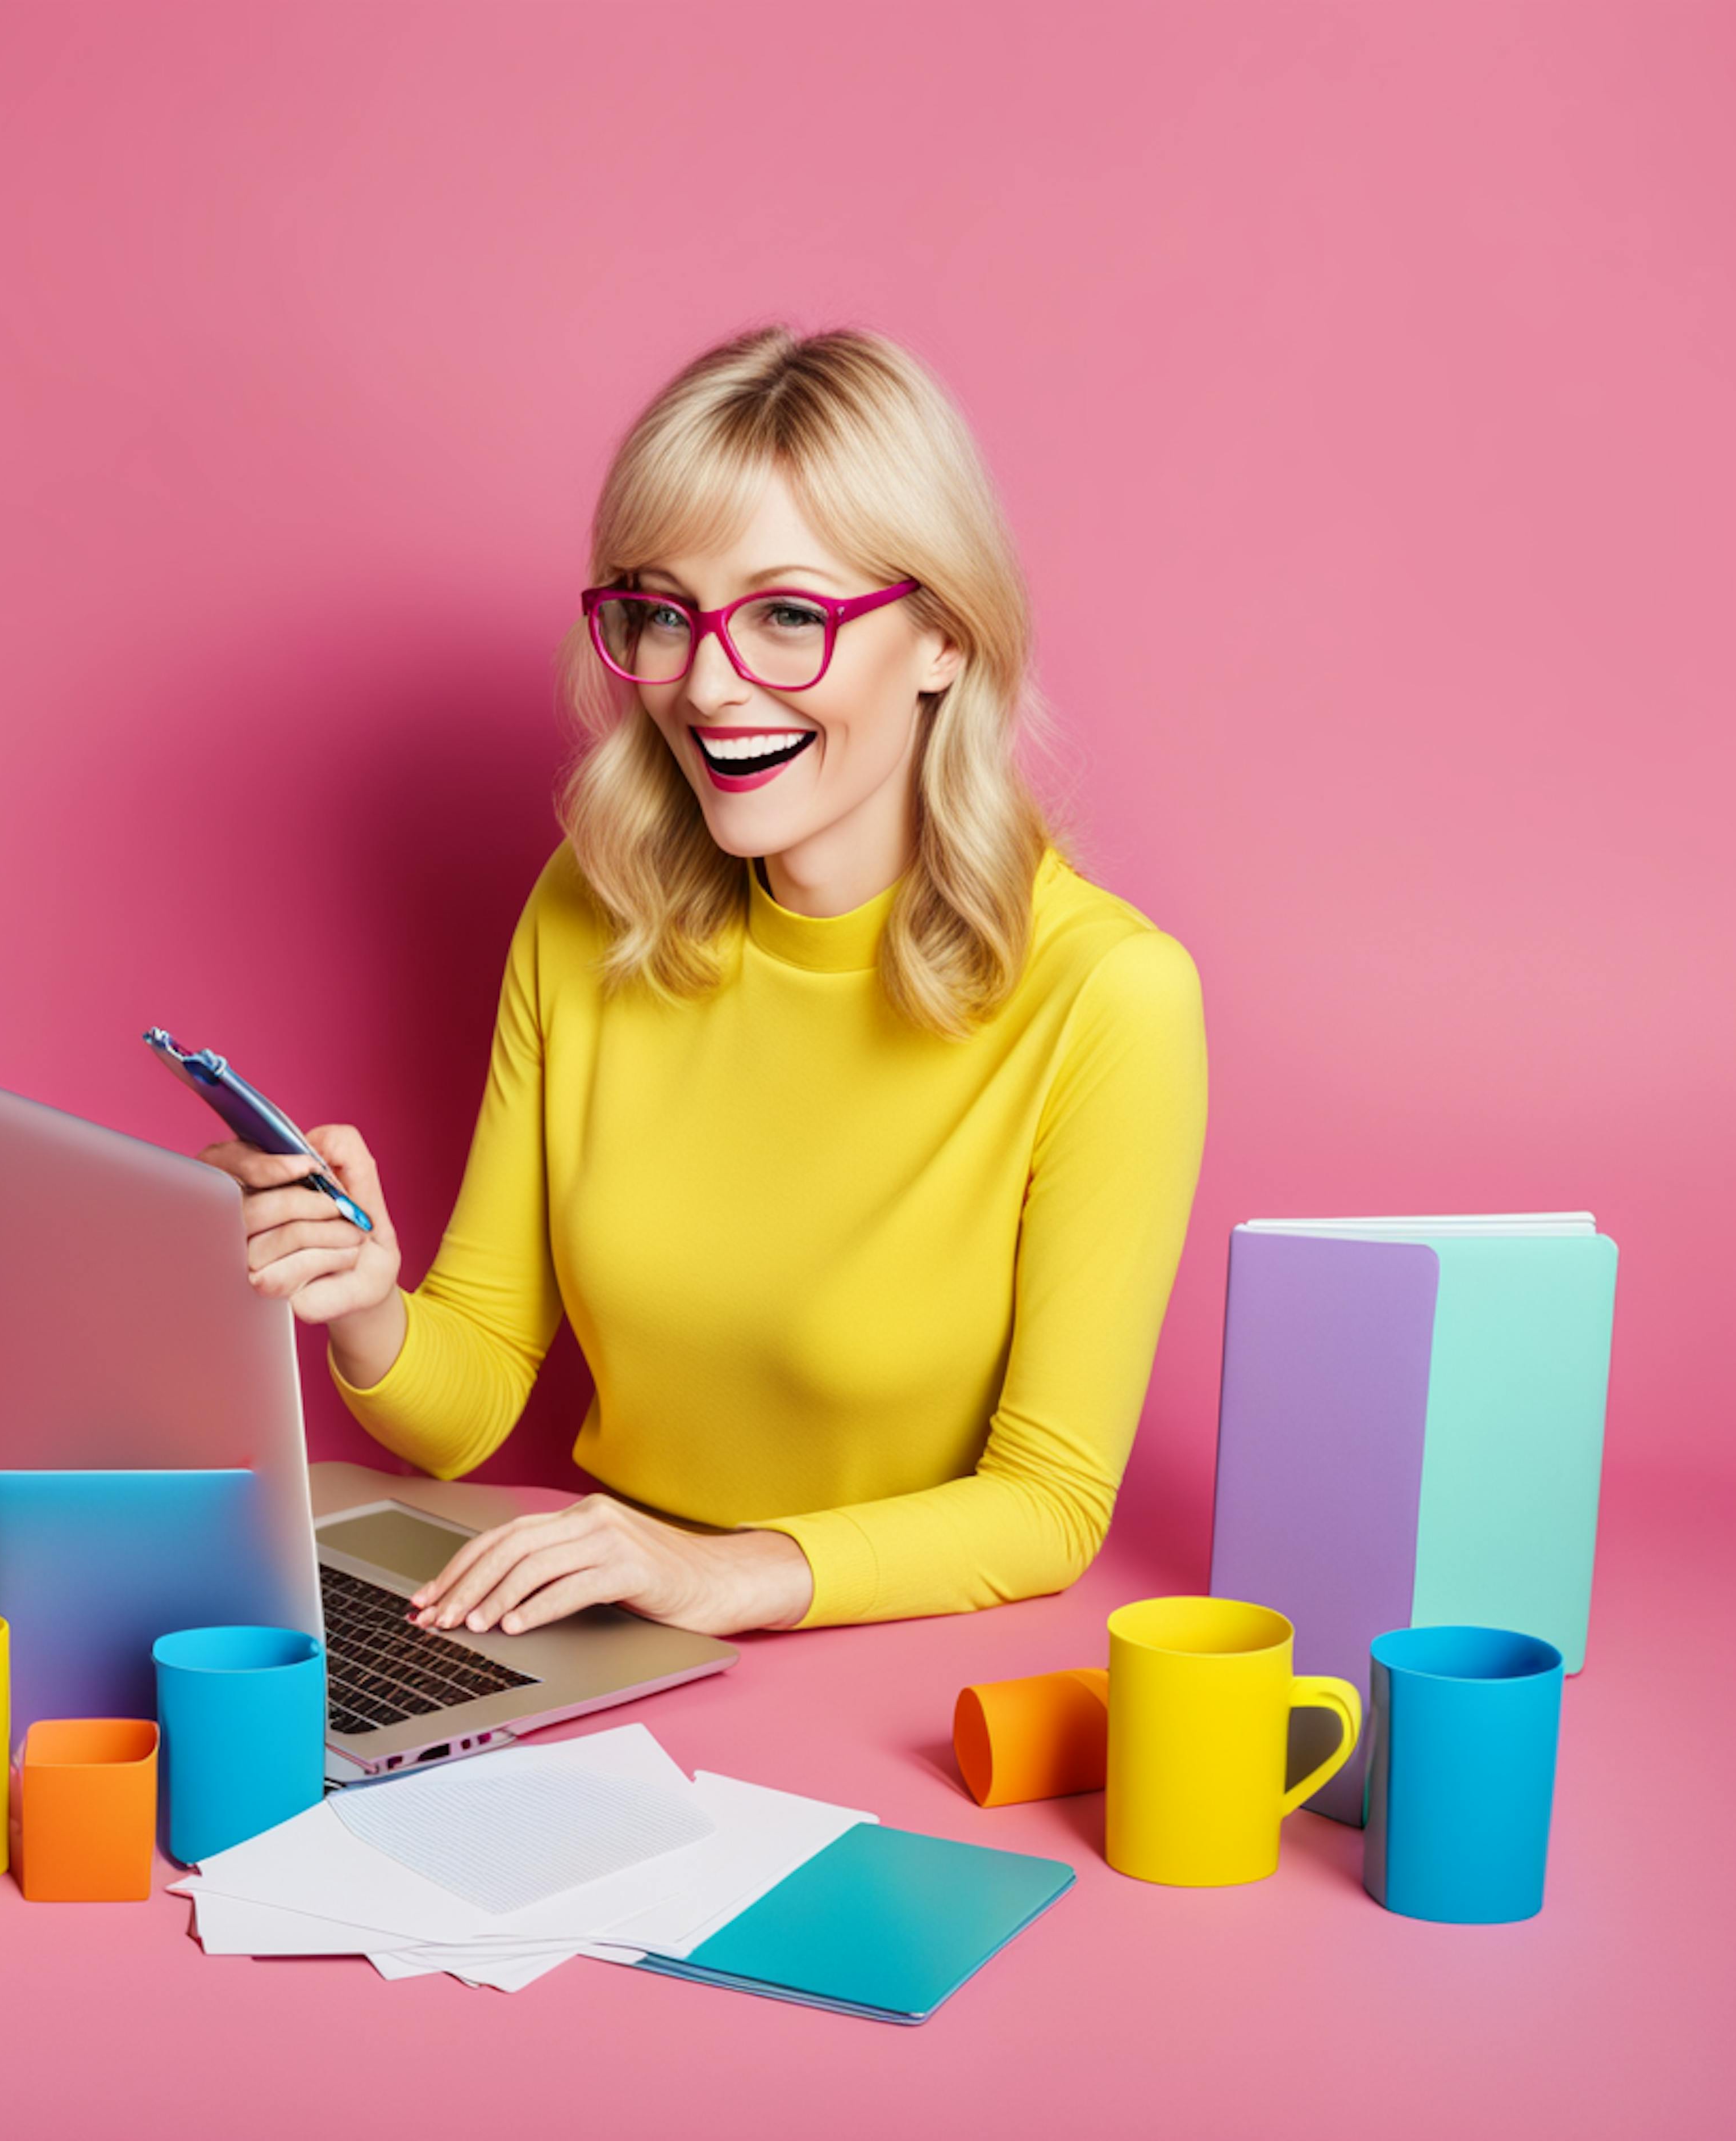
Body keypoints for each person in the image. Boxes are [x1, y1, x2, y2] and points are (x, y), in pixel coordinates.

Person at [205, 327, 1207, 1641]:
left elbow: (1049, 1504)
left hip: (898, 1667)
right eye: (662, 613)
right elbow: (472, 1402)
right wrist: (366, 1301)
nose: (709, 685)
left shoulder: (1109, 998)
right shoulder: (590, 910)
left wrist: (719, 1573)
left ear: (945, 641)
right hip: (590, 1628)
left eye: (789, 613)